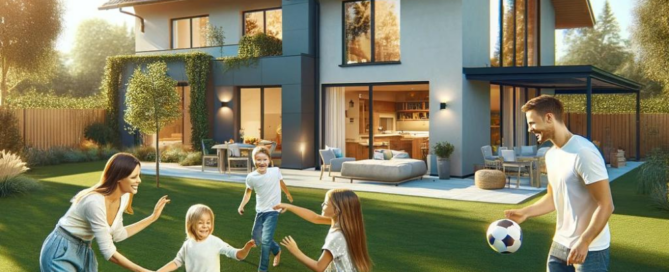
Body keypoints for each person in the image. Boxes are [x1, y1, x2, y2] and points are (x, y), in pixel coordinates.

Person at [504, 95, 614, 271]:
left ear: (549, 118)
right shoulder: (551, 155)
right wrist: (525, 212)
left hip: (590, 249)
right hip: (559, 245)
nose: (529, 129)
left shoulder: (583, 152)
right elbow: (553, 197)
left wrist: (584, 241)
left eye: (532, 123)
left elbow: (606, 205)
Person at [39, 153, 170, 272]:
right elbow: (108, 252)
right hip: (60, 250)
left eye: (139, 176)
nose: (139, 181)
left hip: (84, 250)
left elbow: (119, 234)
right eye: (134, 177)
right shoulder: (94, 202)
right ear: (119, 177)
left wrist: (152, 218)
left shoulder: (123, 197)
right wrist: (143, 271)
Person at [274, 189, 373, 272]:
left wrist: (295, 251)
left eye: (325, 203)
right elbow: (315, 218)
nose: (322, 205)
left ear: (337, 210)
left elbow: (319, 267)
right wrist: (289, 206)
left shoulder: (337, 237)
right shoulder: (344, 225)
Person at [238, 146, 294, 271]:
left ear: (269, 160)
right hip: (260, 211)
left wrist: (287, 194)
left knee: (266, 241)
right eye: (258, 160)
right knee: (257, 238)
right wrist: (241, 205)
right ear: (254, 161)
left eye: (264, 159)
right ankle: (277, 250)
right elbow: (248, 193)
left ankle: (262, 269)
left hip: (273, 210)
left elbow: (281, 183)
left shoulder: (275, 171)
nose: (262, 162)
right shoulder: (251, 177)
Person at [157, 204, 256, 272]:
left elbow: (237, 255)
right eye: (200, 223)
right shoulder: (187, 244)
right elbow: (176, 262)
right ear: (191, 225)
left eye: (208, 222)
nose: (205, 226)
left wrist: (246, 248)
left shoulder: (215, 242)